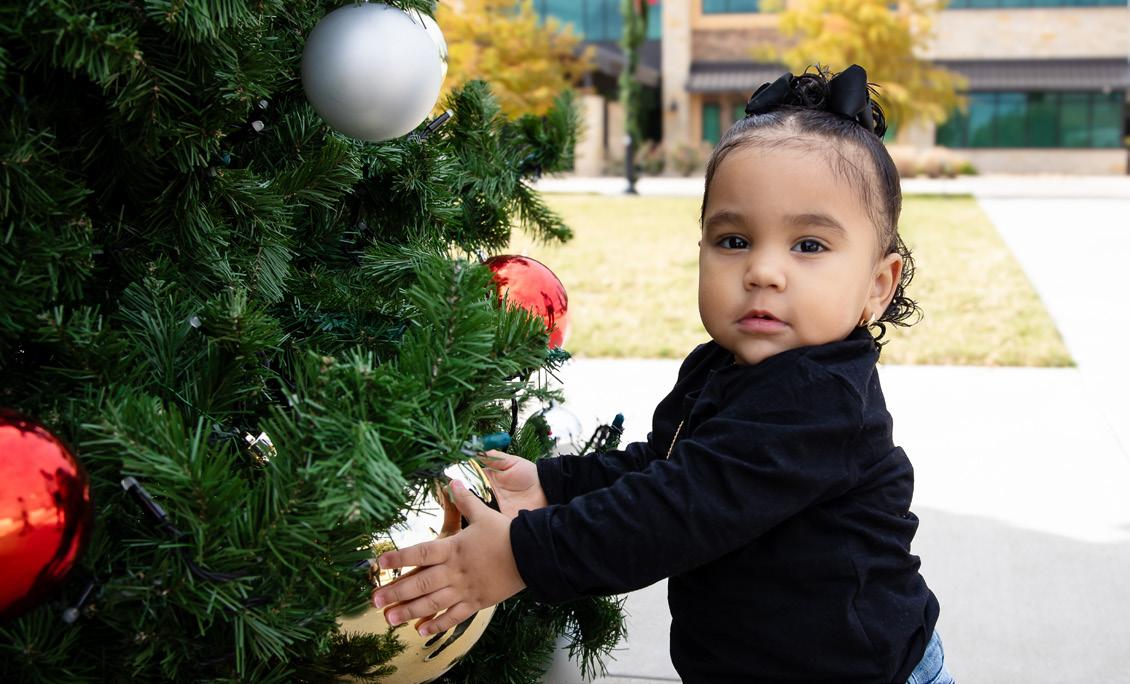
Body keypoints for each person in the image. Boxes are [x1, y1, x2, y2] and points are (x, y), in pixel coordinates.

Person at [371, 64, 953, 684]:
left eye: (808, 245)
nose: (763, 271)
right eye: (734, 240)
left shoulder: (821, 403)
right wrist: (553, 485)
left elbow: (673, 514)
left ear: (877, 285)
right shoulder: (718, 366)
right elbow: (664, 467)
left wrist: (520, 556)